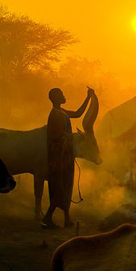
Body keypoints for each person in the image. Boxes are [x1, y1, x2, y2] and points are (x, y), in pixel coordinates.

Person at [41, 86, 94, 228]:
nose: (64, 96)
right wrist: (72, 136)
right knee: (60, 186)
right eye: (61, 94)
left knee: (65, 185)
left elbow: (78, 113)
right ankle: (47, 218)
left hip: (65, 156)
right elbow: (54, 136)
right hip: (59, 158)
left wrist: (88, 97)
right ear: (56, 98)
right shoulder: (55, 114)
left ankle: (66, 218)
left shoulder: (61, 112)